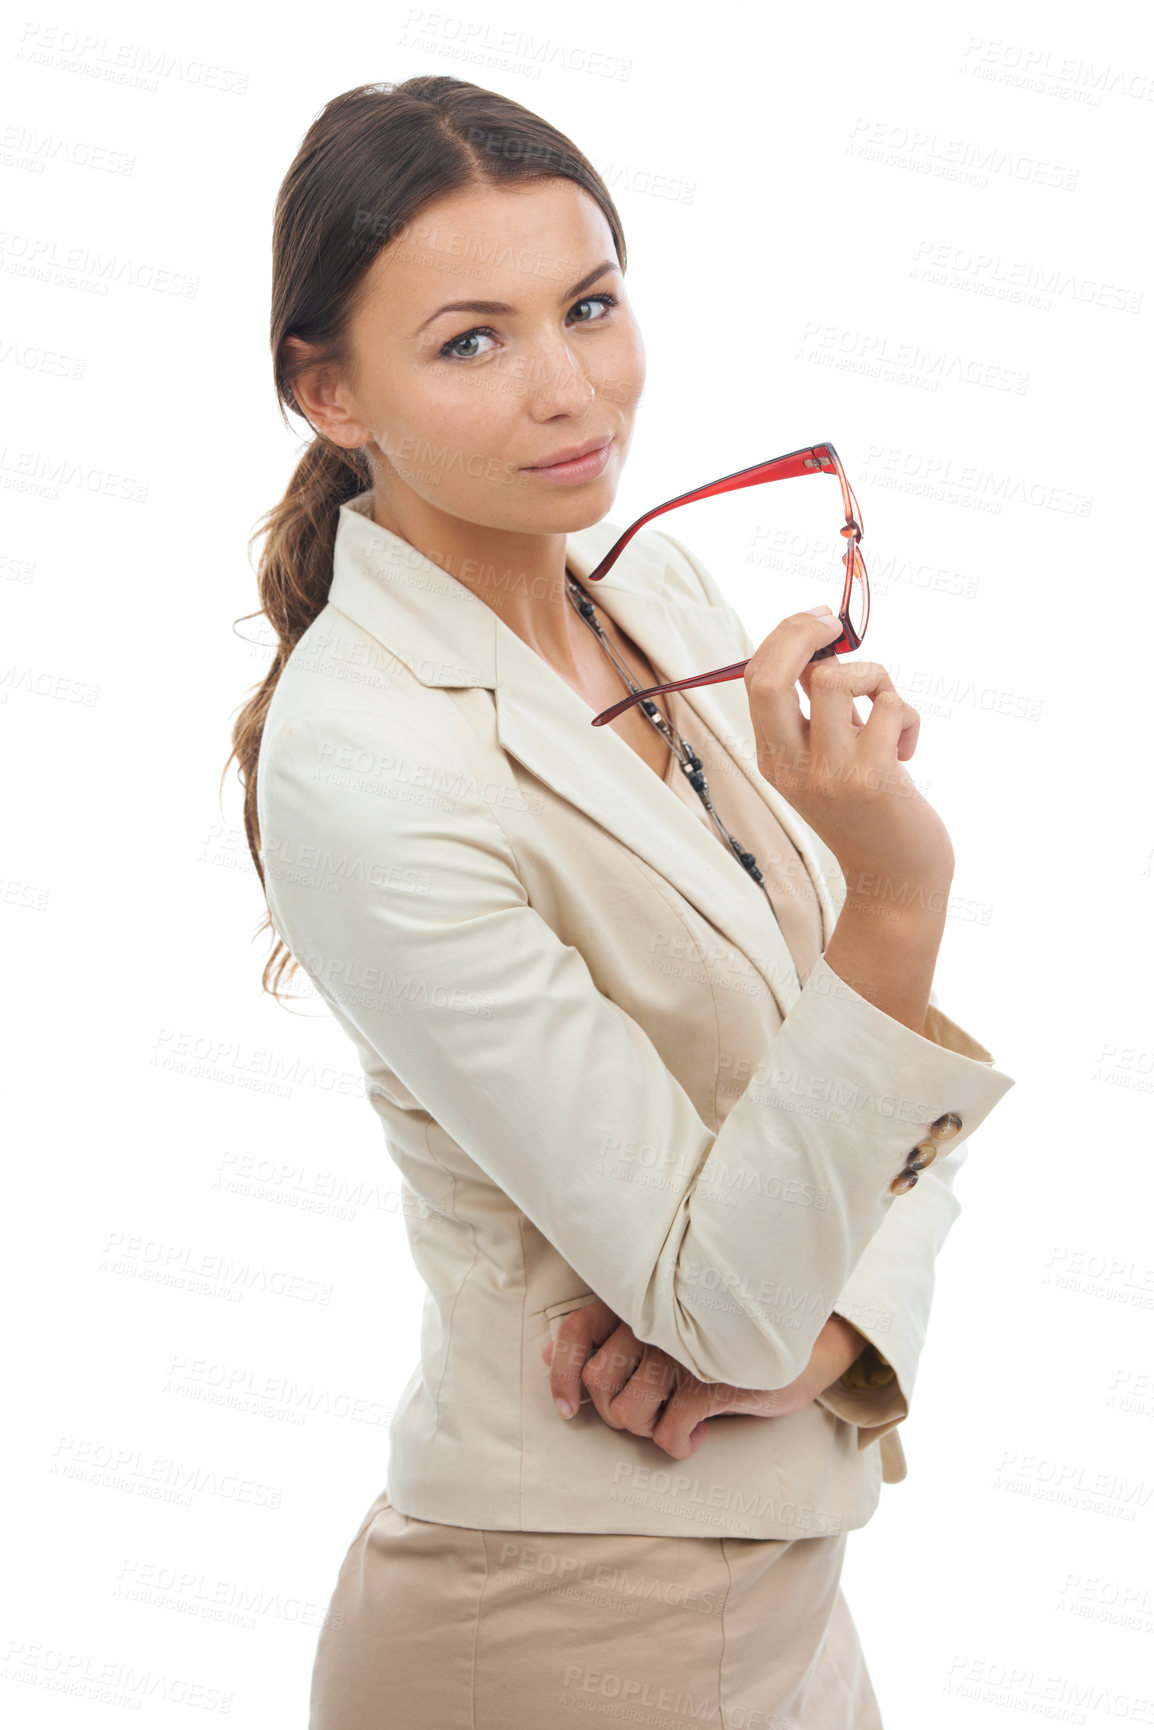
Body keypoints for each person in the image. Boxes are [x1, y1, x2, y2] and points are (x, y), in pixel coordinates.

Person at [225, 74, 1016, 1728]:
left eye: (587, 304)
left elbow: (859, 1119)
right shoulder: (362, 760)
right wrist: (896, 891)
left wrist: (837, 1331)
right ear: (328, 389)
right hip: (557, 1616)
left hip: (785, 1587)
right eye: (471, 341)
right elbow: (718, 1285)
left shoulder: (647, 585)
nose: (571, 387)